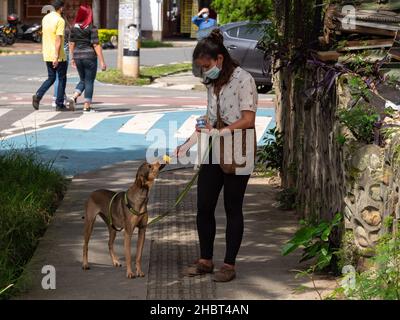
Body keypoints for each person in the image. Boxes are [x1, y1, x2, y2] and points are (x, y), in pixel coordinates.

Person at [175, 29, 258, 282]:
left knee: (232, 208)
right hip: (213, 148)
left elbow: (248, 119)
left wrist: (222, 131)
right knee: (204, 206)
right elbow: (209, 118)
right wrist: (188, 143)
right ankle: (205, 260)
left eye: (206, 65)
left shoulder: (244, 80)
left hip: (238, 149)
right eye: (200, 67)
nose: (204, 71)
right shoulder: (212, 83)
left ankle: (229, 265)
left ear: (219, 59)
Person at [67, 4, 106, 113]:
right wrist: (102, 61)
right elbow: (96, 45)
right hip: (90, 57)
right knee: (89, 81)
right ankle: (86, 106)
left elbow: (71, 43)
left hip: (78, 56)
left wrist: (72, 58)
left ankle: (73, 97)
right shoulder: (91, 27)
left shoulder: (74, 28)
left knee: (83, 80)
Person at [32, 0, 69, 111]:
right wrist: (56, 57)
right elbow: (58, 39)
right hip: (58, 54)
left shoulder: (45, 18)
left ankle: (38, 95)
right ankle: (59, 104)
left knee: (51, 77)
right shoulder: (60, 20)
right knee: (62, 79)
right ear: (61, 8)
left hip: (47, 52)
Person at [191, 8, 218, 78]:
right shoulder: (200, 21)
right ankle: (200, 73)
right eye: (203, 13)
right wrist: (200, 13)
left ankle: (210, 72)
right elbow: (193, 20)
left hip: (209, 43)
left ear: (208, 13)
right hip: (201, 43)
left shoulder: (212, 21)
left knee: (209, 58)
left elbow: (215, 30)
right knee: (200, 57)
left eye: (205, 13)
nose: (204, 14)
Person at [52, 13, 71, 109]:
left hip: (53, 53)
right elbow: (70, 43)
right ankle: (57, 98)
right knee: (61, 78)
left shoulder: (54, 27)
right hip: (64, 54)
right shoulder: (67, 29)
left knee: (56, 77)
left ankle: (59, 97)